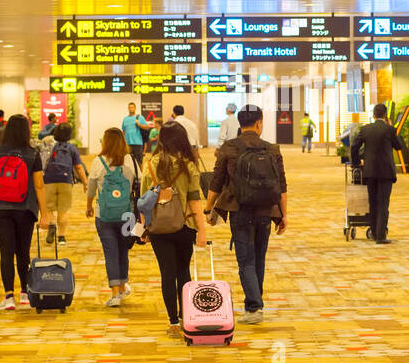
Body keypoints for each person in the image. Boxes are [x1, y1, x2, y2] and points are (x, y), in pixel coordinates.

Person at [204, 104, 287, 325]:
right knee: (259, 258)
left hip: (239, 211)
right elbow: (282, 186)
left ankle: (254, 307)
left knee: (246, 260)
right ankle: (254, 305)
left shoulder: (230, 148)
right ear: (259, 123)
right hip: (266, 211)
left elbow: (216, 181)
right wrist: (283, 215)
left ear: (241, 124)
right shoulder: (272, 149)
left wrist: (208, 208)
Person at [140, 121, 208, 337]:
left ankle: (172, 323)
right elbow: (195, 201)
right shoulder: (188, 166)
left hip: (158, 227)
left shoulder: (150, 165)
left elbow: (142, 202)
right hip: (184, 226)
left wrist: (142, 230)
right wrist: (202, 232)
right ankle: (185, 316)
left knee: (166, 274)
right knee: (183, 271)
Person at [0, 114, 51, 311]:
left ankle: (9, 297)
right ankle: (25, 294)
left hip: (0, 208)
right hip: (25, 208)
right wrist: (44, 213)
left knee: (6, 251)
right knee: (23, 252)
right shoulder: (32, 153)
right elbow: (39, 186)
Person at [87, 127, 139, 307]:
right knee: (123, 250)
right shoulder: (130, 160)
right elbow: (138, 185)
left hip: (104, 215)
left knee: (111, 252)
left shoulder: (98, 162)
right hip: (127, 214)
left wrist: (88, 206)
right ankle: (123, 286)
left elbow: (91, 188)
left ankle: (115, 292)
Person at [350, 103, 409, 244]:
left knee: (373, 202)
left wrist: (357, 162)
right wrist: (392, 128)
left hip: (369, 171)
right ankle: (381, 236)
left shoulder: (365, 129)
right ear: (385, 115)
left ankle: (375, 233)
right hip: (386, 172)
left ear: (373, 115)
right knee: (383, 203)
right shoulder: (389, 130)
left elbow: (354, 146)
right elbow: (399, 146)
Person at [42, 122, 87, 245]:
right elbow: (78, 167)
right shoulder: (72, 148)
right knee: (63, 210)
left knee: (50, 207)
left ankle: (51, 225)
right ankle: (62, 237)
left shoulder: (50, 146)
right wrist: (85, 182)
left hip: (49, 180)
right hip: (65, 181)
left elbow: (42, 163)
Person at [122, 101, 151, 173]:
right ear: (128, 109)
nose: (131, 109)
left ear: (135, 108)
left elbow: (147, 127)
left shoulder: (140, 117)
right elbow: (123, 131)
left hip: (138, 143)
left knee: (139, 162)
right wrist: (123, 142)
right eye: (129, 107)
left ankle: (141, 178)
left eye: (132, 107)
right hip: (128, 144)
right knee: (128, 162)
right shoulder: (125, 119)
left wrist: (139, 124)